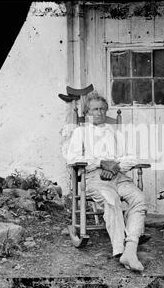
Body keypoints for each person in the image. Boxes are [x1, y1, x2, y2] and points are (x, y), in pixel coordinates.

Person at [63, 91, 148, 272]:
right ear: (87, 112)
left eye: (102, 109)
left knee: (138, 198)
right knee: (111, 200)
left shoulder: (115, 133)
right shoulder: (80, 132)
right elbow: (72, 158)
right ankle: (120, 250)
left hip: (118, 176)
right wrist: (102, 163)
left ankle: (130, 249)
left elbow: (132, 156)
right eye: (94, 109)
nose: (99, 113)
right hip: (94, 177)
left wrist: (115, 166)